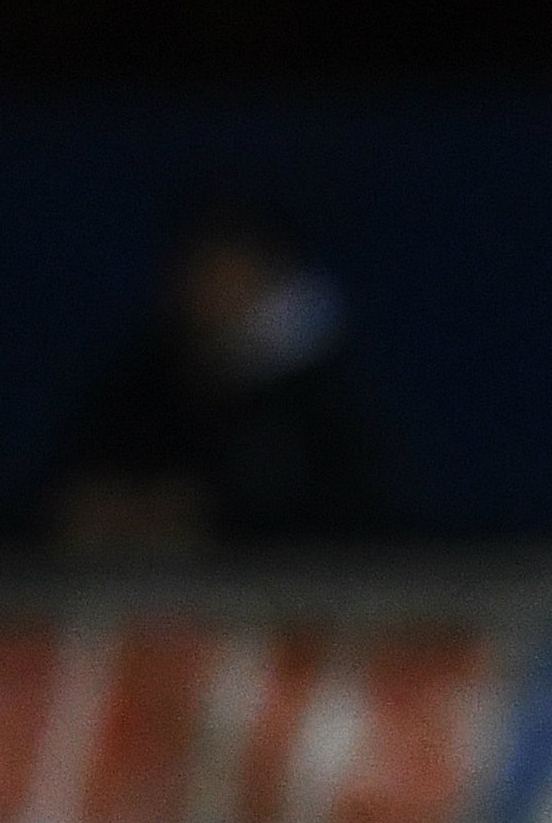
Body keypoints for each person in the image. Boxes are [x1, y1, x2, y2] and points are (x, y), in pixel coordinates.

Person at [49, 195, 389, 554]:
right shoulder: (140, 373)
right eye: (200, 268)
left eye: (229, 269)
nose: (210, 288)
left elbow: (363, 518)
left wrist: (213, 516)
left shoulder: (321, 389)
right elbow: (65, 489)